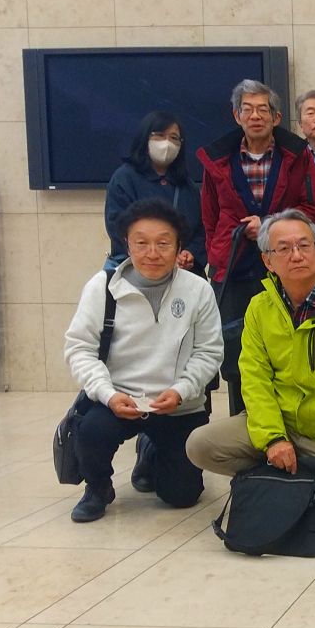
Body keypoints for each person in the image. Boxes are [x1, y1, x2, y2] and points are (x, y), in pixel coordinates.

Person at [186, 210, 315, 541]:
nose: (296, 255)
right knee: (199, 445)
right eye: (284, 248)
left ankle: (296, 478)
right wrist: (274, 438)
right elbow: (255, 380)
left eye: (305, 245)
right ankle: (279, 472)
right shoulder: (259, 308)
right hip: (281, 425)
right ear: (268, 260)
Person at [64, 199, 222, 523]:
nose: (152, 253)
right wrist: (108, 394)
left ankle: (150, 451)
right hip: (118, 398)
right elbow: (79, 348)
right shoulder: (102, 287)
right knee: (91, 429)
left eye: (163, 243)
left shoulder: (198, 290)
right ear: (127, 244)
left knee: (181, 495)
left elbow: (209, 351)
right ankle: (97, 487)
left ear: (179, 247)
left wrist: (181, 390)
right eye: (142, 243)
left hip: (178, 404)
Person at [198, 79, 315, 415]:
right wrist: (218, 253)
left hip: (286, 267)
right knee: (237, 353)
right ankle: (241, 424)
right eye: (248, 109)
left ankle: (286, 425)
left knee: (285, 350)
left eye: (262, 110)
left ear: (276, 117)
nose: (255, 116)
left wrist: (269, 225)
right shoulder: (218, 160)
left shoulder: (296, 155)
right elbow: (209, 218)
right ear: (236, 116)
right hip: (233, 269)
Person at [104, 110, 205, 275]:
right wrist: (154, 255)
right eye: (159, 135)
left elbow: (202, 230)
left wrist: (190, 253)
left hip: (181, 275)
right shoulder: (124, 178)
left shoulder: (188, 186)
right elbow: (117, 227)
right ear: (145, 138)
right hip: (135, 271)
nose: (167, 143)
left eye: (174, 138)